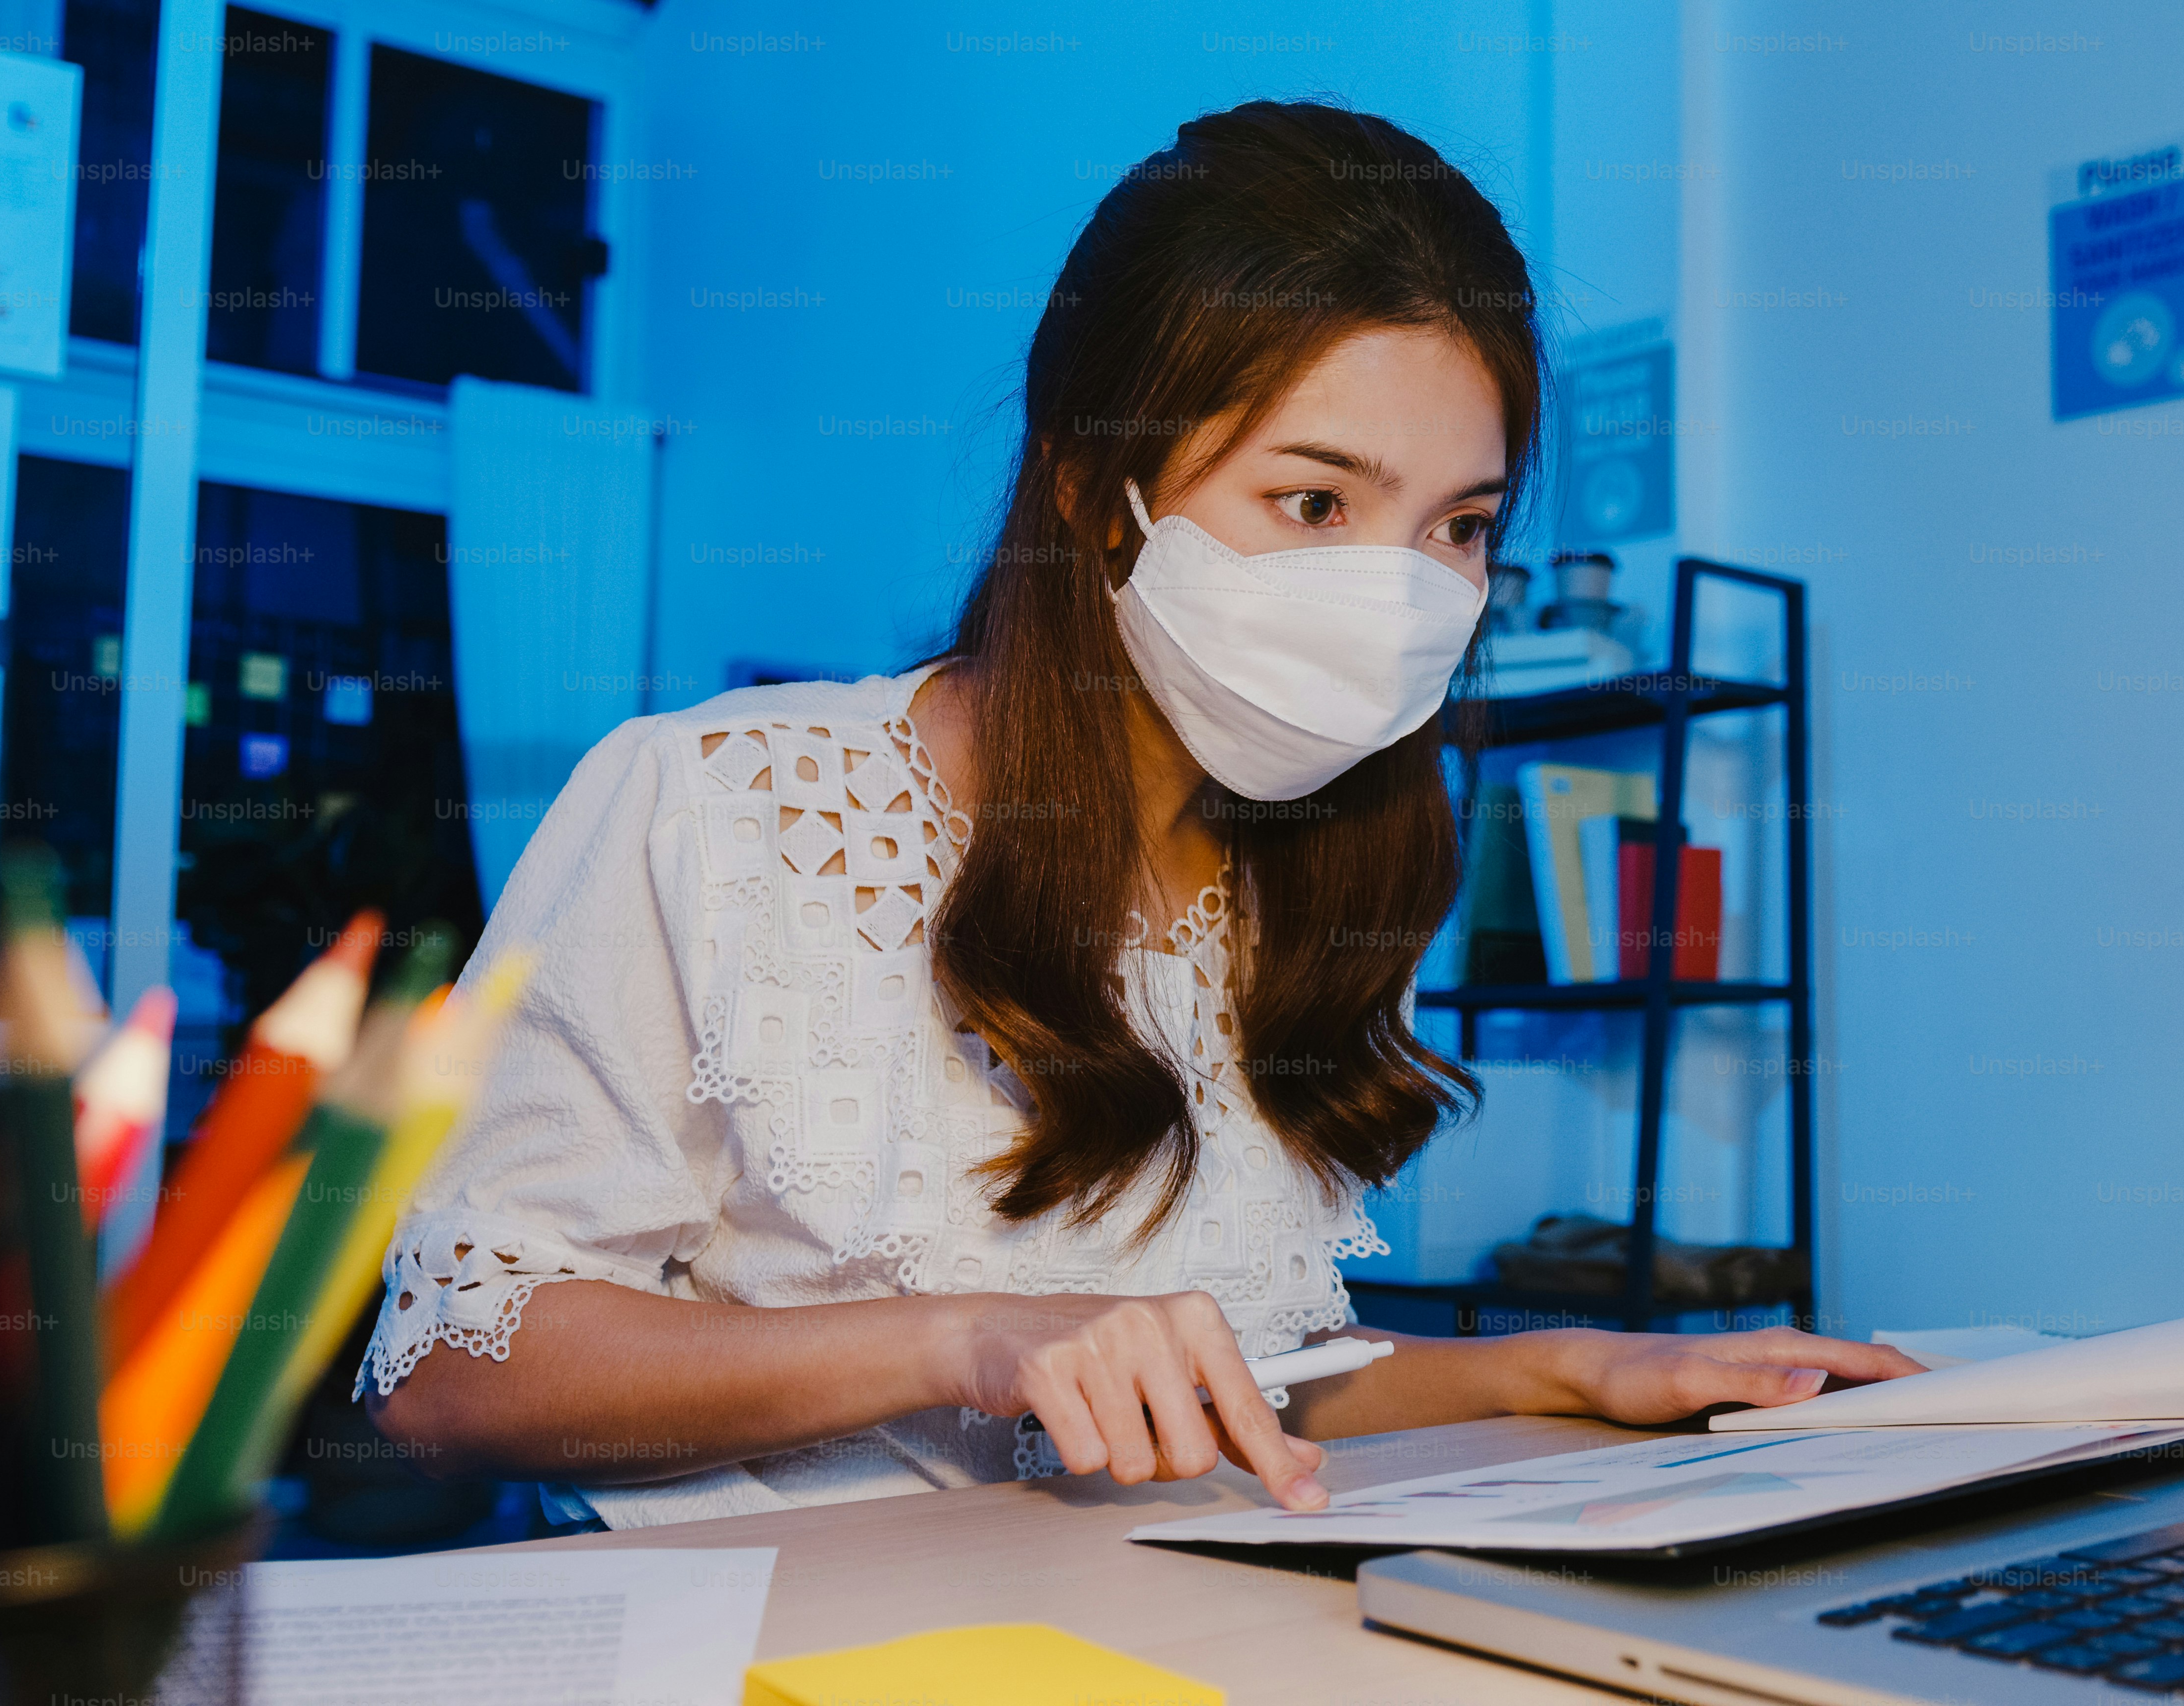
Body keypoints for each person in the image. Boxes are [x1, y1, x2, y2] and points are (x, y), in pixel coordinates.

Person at [362, 100, 1917, 1529]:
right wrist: (961, 1340)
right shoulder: (713, 804)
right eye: (1316, 502)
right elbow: (453, 1375)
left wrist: (1560, 1368)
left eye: (1459, 525)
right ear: (1096, 487)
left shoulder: (1311, 875)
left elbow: (1242, 1373)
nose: (1396, 594)